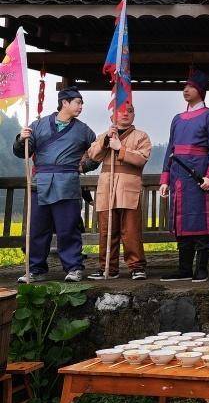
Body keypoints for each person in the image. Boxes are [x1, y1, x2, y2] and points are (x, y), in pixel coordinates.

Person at [13, 86, 98, 283]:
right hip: (40, 183)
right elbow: (22, 152)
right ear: (64, 103)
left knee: (68, 228)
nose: (81, 106)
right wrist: (21, 139)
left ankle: (74, 268)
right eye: (78, 102)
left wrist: (84, 166)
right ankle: (35, 269)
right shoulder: (38, 125)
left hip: (67, 183)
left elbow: (97, 152)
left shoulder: (83, 130)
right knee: (37, 229)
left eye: (82, 103)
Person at [158, 69, 209, 282]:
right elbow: (171, 148)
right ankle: (184, 268)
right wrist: (165, 178)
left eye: (191, 87)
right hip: (177, 175)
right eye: (185, 86)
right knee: (181, 219)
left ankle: (201, 268)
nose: (186, 90)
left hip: (198, 172)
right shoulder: (177, 119)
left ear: (201, 90)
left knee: (199, 218)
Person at [86, 104, 152, 280]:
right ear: (112, 117)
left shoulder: (141, 136)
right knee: (107, 230)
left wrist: (119, 148)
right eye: (121, 111)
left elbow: (141, 159)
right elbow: (93, 155)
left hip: (128, 189)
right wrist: (107, 140)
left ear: (134, 115)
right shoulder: (105, 136)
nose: (125, 114)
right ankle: (108, 267)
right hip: (107, 188)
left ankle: (136, 267)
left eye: (130, 111)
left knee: (131, 231)